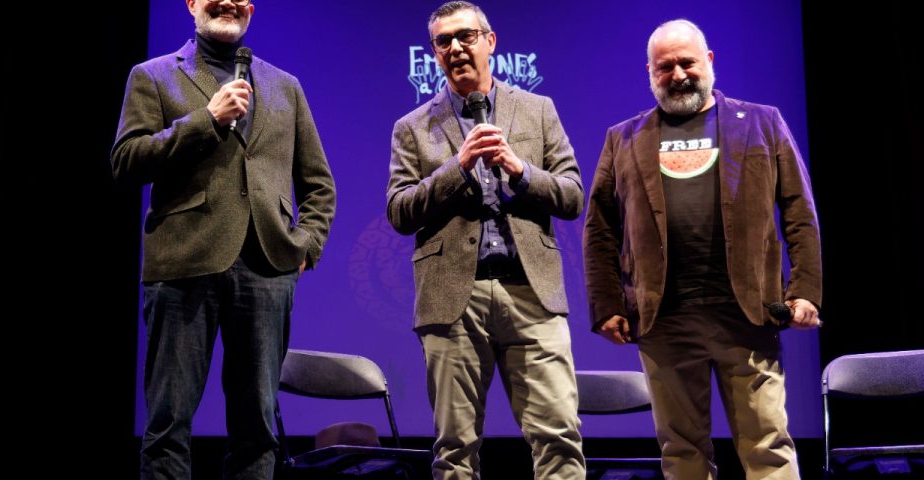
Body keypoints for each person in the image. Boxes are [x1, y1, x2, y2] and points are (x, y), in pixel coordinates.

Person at [583, 19, 822, 480]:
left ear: (709, 61)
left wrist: (805, 291)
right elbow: (599, 230)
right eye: (665, 67)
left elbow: (799, 212)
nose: (678, 75)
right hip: (664, 321)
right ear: (650, 72)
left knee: (768, 447)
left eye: (687, 63)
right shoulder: (623, 138)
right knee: (682, 454)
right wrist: (607, 305)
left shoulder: (763, 122)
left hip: (747, 316)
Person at [110, 0, 336, 477]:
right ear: (191, 4)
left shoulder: (285, 85)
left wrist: (306, 246)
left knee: (257, 429)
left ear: (250, 8)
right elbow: (127, 162)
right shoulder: (152, 75)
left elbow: (319, 184)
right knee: (168, 424)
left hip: (267, 269)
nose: (229, 2)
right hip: (182, 265)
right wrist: (206, 120)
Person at [385, 2, 586, 478]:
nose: (456, 48)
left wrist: (520, 170)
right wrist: (457, 167)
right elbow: (399, 211)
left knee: (558, 438)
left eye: (466, 36)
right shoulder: (412, 127)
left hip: (531, 292)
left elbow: (572, 195)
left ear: (490, 42)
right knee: (455, 449)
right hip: (453, 296)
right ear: (434, 53)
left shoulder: (537, 109)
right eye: (444, 41)